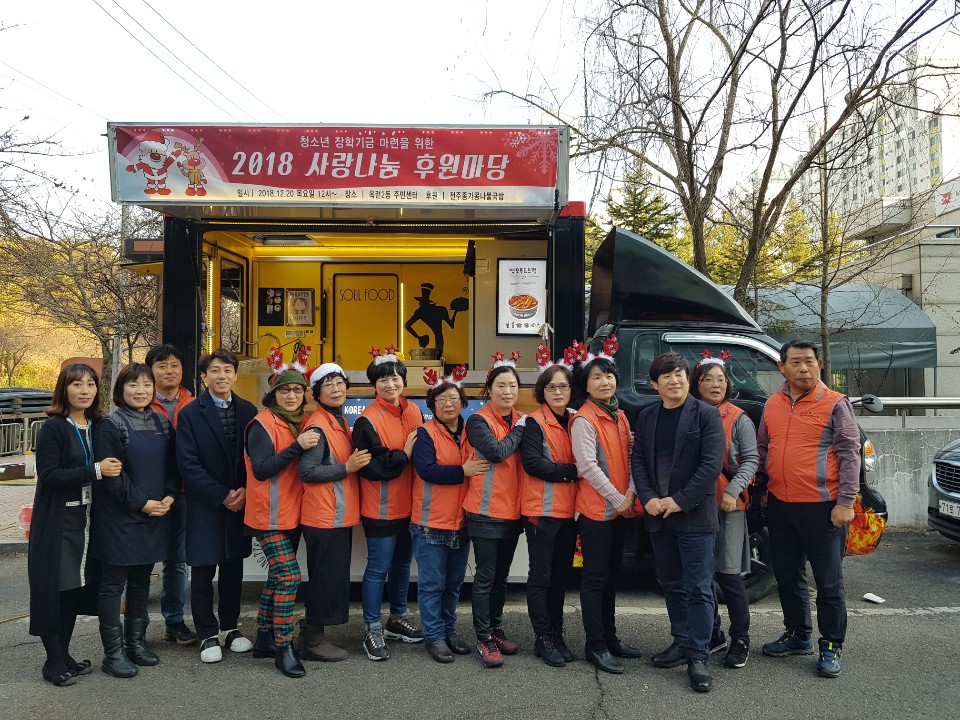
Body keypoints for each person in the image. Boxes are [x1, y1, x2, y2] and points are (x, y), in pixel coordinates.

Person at [756, 339, 861, 678]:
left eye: (810, 362)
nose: (804, 368)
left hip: (824, 508)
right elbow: (762, 448)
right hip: (782, 506)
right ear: (781, 367)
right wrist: (760, 489)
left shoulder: (834, 404)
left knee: (828, 583)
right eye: (796, 362)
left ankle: (831, 645)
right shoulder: (772, 404)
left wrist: (846, 502)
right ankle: (798, 634)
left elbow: (850, 454)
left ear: (820, 364)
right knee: (787, 576)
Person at [632, 351, 725, 692]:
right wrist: (649, 499)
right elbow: (638, 461)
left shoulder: (706, 415)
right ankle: (681, 640)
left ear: (688, 378)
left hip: (695, 516)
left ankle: (699, 655)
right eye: (666, 376)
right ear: (655, 384)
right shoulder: (647, 416)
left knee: (699, 588)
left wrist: (680, 500)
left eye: (680, 374)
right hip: (659, 515)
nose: (675, 380)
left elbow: (711, 465)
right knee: (670, 582)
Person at [29, 364, 122, 686]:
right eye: (76, 384)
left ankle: (64, 654)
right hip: (58, 521)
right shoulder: (54, 427)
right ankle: (52, 662)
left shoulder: (97, 424)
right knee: (55, 590)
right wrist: (95, 471)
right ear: (63, 389)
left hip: (86, 519)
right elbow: (50, 475)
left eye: (90, 384)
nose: (84, 390)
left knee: (73, 591)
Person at [92, 363, 179, 678]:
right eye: (133, 385)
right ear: (121, 390)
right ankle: (112, 654)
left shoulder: (161, 421)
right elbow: (112, 478)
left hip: (155, 513)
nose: (140, 391)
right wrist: (142, 503)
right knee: (113, 585)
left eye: (146, 385)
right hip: (119, 517)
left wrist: (169, 495)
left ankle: (136, 644)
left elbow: (173, 465)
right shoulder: (109, 424)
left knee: (142, 582)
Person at [175, 349, 258, 664]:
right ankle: (207, 632)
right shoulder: (190, 414)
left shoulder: (248, 410)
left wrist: (246, 492)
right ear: (204, 376)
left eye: (227, 370)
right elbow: (188, 464)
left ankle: (230, 628)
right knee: (203, 568)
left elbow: (256, 457)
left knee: (233, 567)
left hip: (241, 501)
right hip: (206, 503)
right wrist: (222, 495)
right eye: (215, 370)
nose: (222, 375)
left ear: (235, 375)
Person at [569, 339, 642, 675]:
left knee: (612, 576)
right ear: (585, 385)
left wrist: (628, 493)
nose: (604, 382)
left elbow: (629, 459)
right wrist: (619, 498)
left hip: (620, 508)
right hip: (596, 511)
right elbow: (587, 467)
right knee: (596, 578)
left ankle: (610, 637)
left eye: (608, 376)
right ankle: (595, 644)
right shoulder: (584, 419)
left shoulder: (620, 415)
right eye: (596, 378)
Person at [410, 368, 488, 663]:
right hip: (429, 522)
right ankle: (434, 637)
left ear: (463, 402)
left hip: (461, 521)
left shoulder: (472, 432)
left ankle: (450, 631)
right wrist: (462, 471)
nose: (448, 404)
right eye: (441, 399)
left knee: (454, 583)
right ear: (431, 406)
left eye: (454, 398)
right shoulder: (425, 433)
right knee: (432, 584)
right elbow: (426, 470)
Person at [353, 347, 424, 661]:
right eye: (382, 379)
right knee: (377, 569)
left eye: (394, 377)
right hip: (380, 507)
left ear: (403, 381)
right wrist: (404, 455)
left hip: (411, 505)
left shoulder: (414, 411)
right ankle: (372, 628)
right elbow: (371, 468)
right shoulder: (367, 421)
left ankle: (396, 618)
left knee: (402, 566)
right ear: (374, 385)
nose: (389, 384)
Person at [245, 364, 316, 678]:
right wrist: (297, 447)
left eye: (298, 389)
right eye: (285, 390)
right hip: (268, 515)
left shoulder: (300, 423)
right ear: (273, 393)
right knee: (289, 577)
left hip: (292, 512)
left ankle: (263, 637)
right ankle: (284, 646)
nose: (291, 395)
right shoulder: (262, 423)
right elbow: (261, 469)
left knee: (277, 577)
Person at [297, 363, 370, 662]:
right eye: (328, 384)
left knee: (332, 577)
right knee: (324, 578)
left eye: (340, 383)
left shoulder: (336, 420)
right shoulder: (318, 426)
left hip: (337, 514)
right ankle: (311, 638)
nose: (336, 389)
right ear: (317, 392)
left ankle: (315, 634)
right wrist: (347, 468)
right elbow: (307, 471)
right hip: (323, 516)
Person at [689, 354, 759, 669]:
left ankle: (740, 638)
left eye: (720, 379)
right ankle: (713, 633)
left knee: (729, 576)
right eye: (708, 379)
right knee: (701, 577)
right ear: (697, 384)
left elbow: (752, 460)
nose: (716, 384)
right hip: (694, 508)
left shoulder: (738, 417)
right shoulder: (687, 414)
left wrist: (732, 490)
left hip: (728, 505)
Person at [464, 351, 525, 668]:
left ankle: (496, 628)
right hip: (485, 513)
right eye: (501, 385)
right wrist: (520, 430)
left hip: (513, 513)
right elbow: (497, 452)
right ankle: (484, 638)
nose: (507, 391)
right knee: (486, 578)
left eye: (512, 386)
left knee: (501, 578)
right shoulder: (478, 421)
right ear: (489, 389)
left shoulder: (520, 419)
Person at [520, 348, 579, 667]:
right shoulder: (534, 422)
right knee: (541, 576)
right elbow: (533, 465)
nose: (558, 392)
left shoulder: (576, 420)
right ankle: (543, 638)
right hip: (541, 512)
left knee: (560, 577)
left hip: (570, 512)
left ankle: (557, 633)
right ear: (542, 392)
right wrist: (573, 470)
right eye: (552, 387)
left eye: (564, 386)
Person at [146, 343, 197, 647]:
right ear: (150, 370)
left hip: (183, 494)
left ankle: (174, 621)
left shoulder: (193, 404)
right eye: (162, 365)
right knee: (138, 560)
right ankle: (134, 624)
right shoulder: (138, 402)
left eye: (174, 365)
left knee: (177, 561)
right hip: (147, 495)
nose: (169, 371)